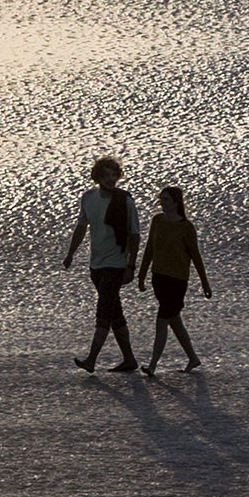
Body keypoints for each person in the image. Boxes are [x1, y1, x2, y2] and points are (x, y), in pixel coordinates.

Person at [61, 156, 144, 373]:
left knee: (104, 312)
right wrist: (71, 253)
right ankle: (129, 359)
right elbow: (81, 227)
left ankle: (91, 360)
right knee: (115, 312)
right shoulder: (88, 198)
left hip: (116, 264)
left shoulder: (125, 201)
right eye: (105, 175)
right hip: (95, 265)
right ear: (97, 177)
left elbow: (135, 235)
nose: (110, 179)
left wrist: (131, 266)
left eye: (113, 175)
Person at [139, 182, 214, 375]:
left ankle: (153, 365)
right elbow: (149, 249)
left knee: (162, 320)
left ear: (175, 202)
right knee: (174, 320)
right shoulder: (157, 221)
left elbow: (196, 257)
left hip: (177, 280)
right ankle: (193, 358)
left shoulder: (186, 227)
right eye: (160, 199)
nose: (161, 203)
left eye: (165, 200)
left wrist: (205, 282)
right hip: (159, 278)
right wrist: (141, 275)